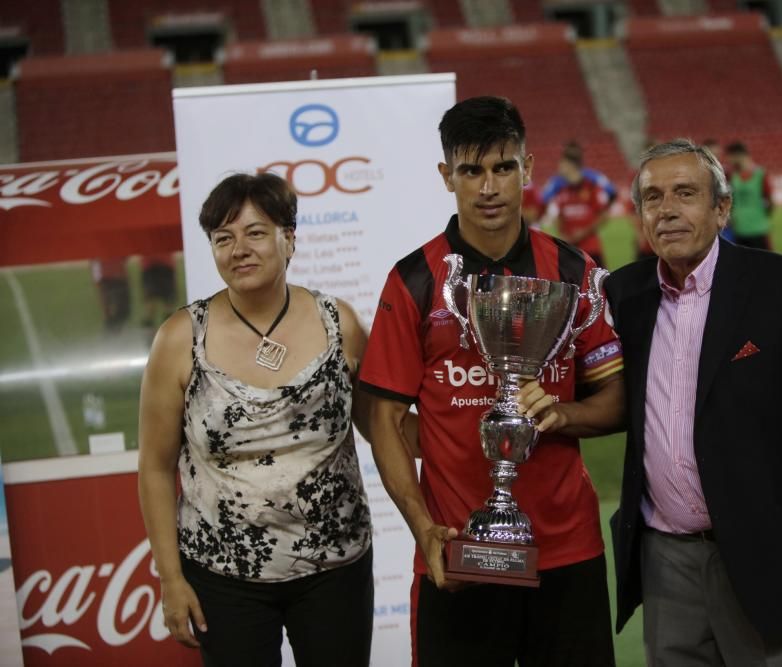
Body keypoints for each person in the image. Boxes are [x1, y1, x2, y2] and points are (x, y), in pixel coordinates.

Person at [358, 96, 625, 667]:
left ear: (527, 169)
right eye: (471, 171)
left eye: (503, 167)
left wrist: (562, 412)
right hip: (459, 551)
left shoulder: (573, 272)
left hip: (565, 550)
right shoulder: (414, 281)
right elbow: (382, 419)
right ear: (446, 176)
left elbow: (617, 399)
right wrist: (424, 529)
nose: (489, 187)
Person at [606, 139, 782, 666]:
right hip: (665, 562)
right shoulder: (624, 295)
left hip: (767, 554)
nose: (666, 210)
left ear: (722, 207)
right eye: (653, 198)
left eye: (685, 193)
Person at [138, 172, 375, 666]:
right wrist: (170, 577)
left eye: (255, 232)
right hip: (223, 576)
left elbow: (384, 429)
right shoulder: (181, 338)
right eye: (223, 238)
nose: (238, 249)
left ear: (290, 239)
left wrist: (464, 426)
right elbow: (155, 468)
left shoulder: (341, 323)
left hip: (336, 566)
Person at [540, 140, 617, 267]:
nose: (559, 168)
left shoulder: (591, 185)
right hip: (569, 249)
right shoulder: (560, 189)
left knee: (598, 285)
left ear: (571, 166)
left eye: (562, 164)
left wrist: (582, 233)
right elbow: (556, 214)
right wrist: (562, 234)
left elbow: (604, 214)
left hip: (591, 249)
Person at [725, 141, 773, 250]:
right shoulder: (731, 175)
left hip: (758, 229)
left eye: (730, 157)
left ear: (739, 155)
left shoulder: (760, 174)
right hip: (740, 229)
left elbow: (770, 202)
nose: (729, 160)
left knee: (763, 265)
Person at [140, 252, 178, 327]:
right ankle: (152, 324)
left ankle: (150, 324)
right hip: (161, 265)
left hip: (154, 265)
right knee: (166, 300)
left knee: (152, 299)